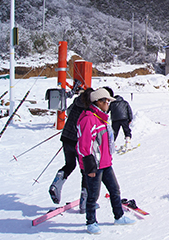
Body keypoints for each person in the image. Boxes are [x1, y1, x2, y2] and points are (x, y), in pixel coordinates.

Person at [77, 88, 135, 234]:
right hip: (94, 165)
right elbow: (84, 145)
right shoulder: (89, 118)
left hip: (105, 163)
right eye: (107, 101)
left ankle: (119, 216)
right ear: (98, 102)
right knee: (93, 196)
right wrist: (89, 167)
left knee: (115, 190)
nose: (109, 104)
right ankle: (91, 222)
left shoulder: (102, 118)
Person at [49, 87, 93, 211]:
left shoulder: (76, 102)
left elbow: (68, 112)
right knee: (85, 170)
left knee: (69, 164)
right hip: (79, 140)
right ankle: (85, 202)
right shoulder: (89, 107)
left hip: (66, 137)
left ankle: (57, 182)